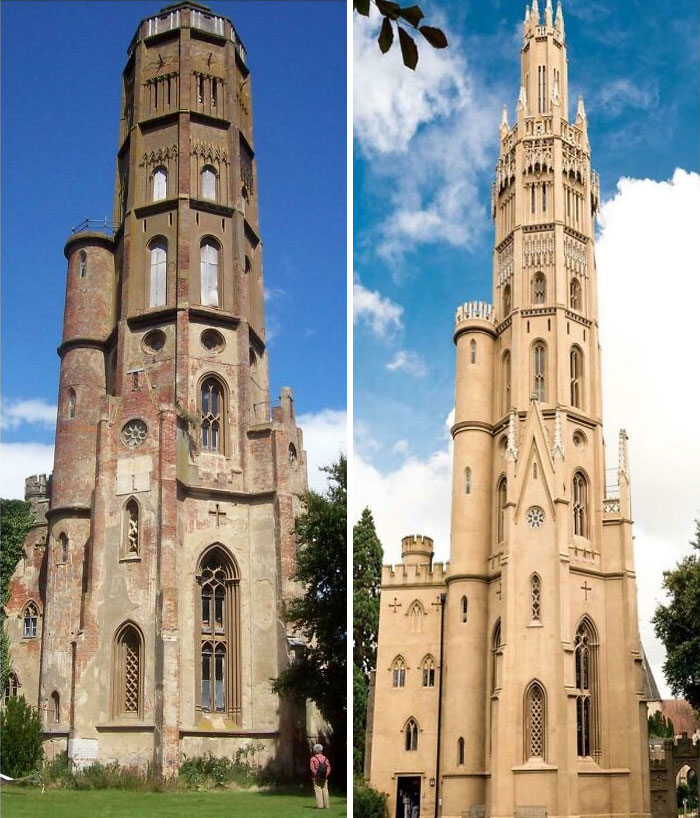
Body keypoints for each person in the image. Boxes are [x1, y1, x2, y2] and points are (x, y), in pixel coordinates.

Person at [310, 743, 331, 809]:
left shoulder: (313, 758)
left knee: (318, 790)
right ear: (321, 750)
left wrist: (316, 774)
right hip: (324, 777)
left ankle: (320, 806)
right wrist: (326, 774)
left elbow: (312, 768)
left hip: (316, 777)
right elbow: (328, 767)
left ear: (315, 750)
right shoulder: (325, 758)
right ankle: (327, 805)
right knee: (325, 790)